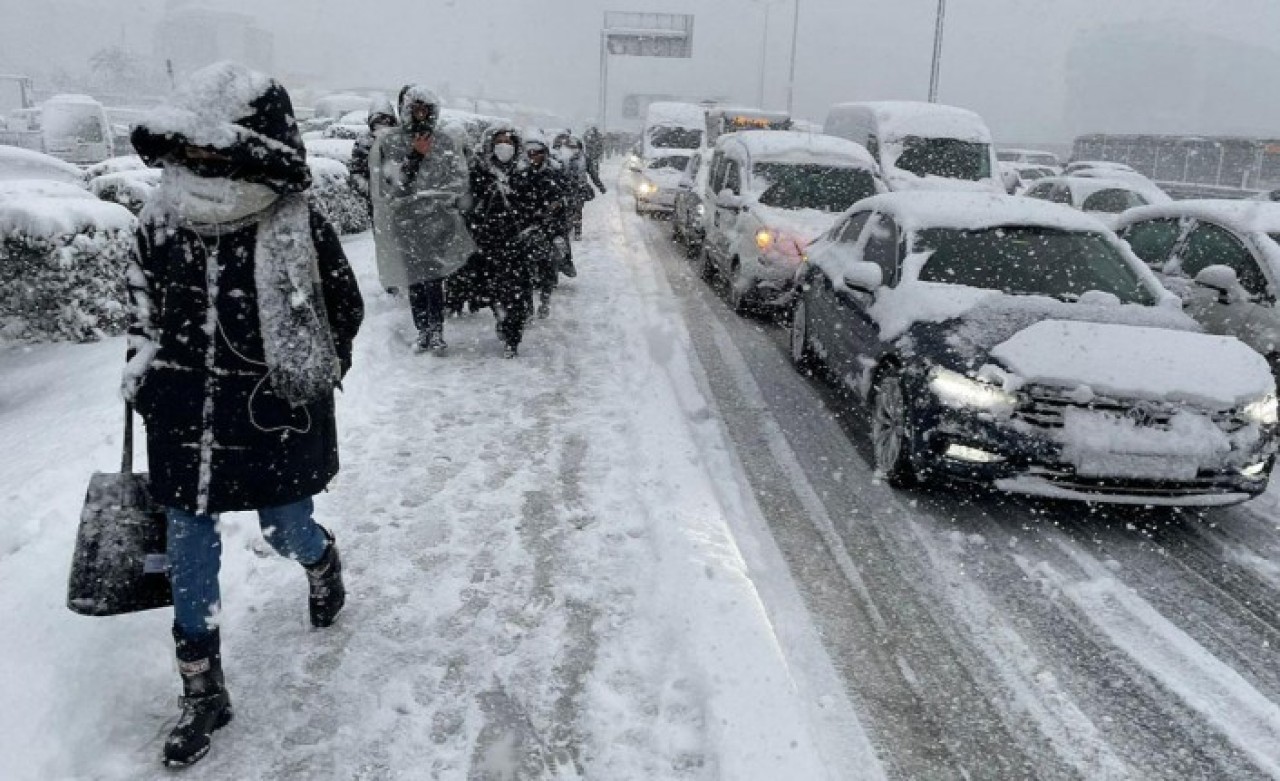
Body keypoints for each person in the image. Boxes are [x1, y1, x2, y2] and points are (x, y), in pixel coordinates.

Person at [123, 62, 364, 769]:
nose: (197, 159)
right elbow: (140, 306)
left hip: (269, 413)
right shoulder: (160, 217)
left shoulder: (294, 221)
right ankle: (201, 689)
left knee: (283, 525)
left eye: (212, 147)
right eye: (190, 148)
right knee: (188, 541)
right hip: (182, 413)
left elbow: (340, 311)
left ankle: (321, 559)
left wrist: (306, 378)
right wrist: (143, 373)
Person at [369, 84, 475, 352]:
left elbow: (459, 180)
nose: (419, 114)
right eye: (414, 109)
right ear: (405, 110)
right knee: (415, 277)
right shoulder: (391, 142)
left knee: (434, 278)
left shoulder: (445, 142)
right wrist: (415, 157)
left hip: (438, 221)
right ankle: (423, 330)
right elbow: (392, 185)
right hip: (406, 222)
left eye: (425, 109)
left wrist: (443, 202)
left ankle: (436, 330)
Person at [466, 124, 541, 356]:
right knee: (492, 290)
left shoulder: (525, 174)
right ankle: (500, 315)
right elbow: (469, 205)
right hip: (487, 242)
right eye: (499, 141)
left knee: (516, 292)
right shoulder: (480, 173)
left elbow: (534, 206)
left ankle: (512, 336)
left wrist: (530, 227)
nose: (504, 147)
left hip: (517, 244)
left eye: (509, 142)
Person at [523, 137, 574, 318]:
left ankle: (545, 301)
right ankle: (527, 306)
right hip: (527, 229)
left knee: (547, 269)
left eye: (536, 153)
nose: (532, 157)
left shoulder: (554, 173)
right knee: (524, 271)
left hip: (549, 229)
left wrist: (556, 226)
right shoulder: (521, 174)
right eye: (529, 153)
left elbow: (563, 200)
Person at [349, 95, 397, 206]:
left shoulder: (398, 142)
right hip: (373, 201)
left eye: (386, 124)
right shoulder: (363, 142)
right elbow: (356, 172)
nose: (382, 129)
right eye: (377, 124)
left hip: (396, 199)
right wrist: (370, 190)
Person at [552, 133, 600, 241]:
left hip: (580, 189)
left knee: (577, 210)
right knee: (566, 210)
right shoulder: (562, 158)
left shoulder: (584, 158)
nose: (573, 149)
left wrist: (600, 186)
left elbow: (592, 173)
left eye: (575, 147)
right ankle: (568, 228)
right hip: (566, 189)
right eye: (570, 147)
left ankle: (577, 231)